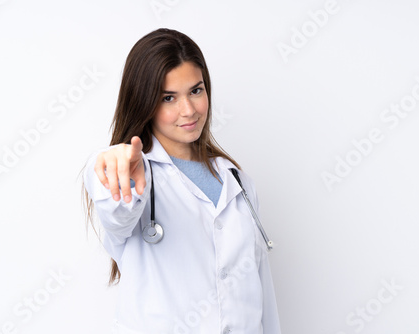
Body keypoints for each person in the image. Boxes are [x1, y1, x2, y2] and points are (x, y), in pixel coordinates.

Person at [80, 28, 281, 334]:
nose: (188, 110)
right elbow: (118, 215)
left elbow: (262, 295)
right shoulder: (132, 174)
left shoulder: (237, 182)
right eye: (168, 98)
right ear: (144, 102)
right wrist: (113, 166)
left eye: (196, 91)